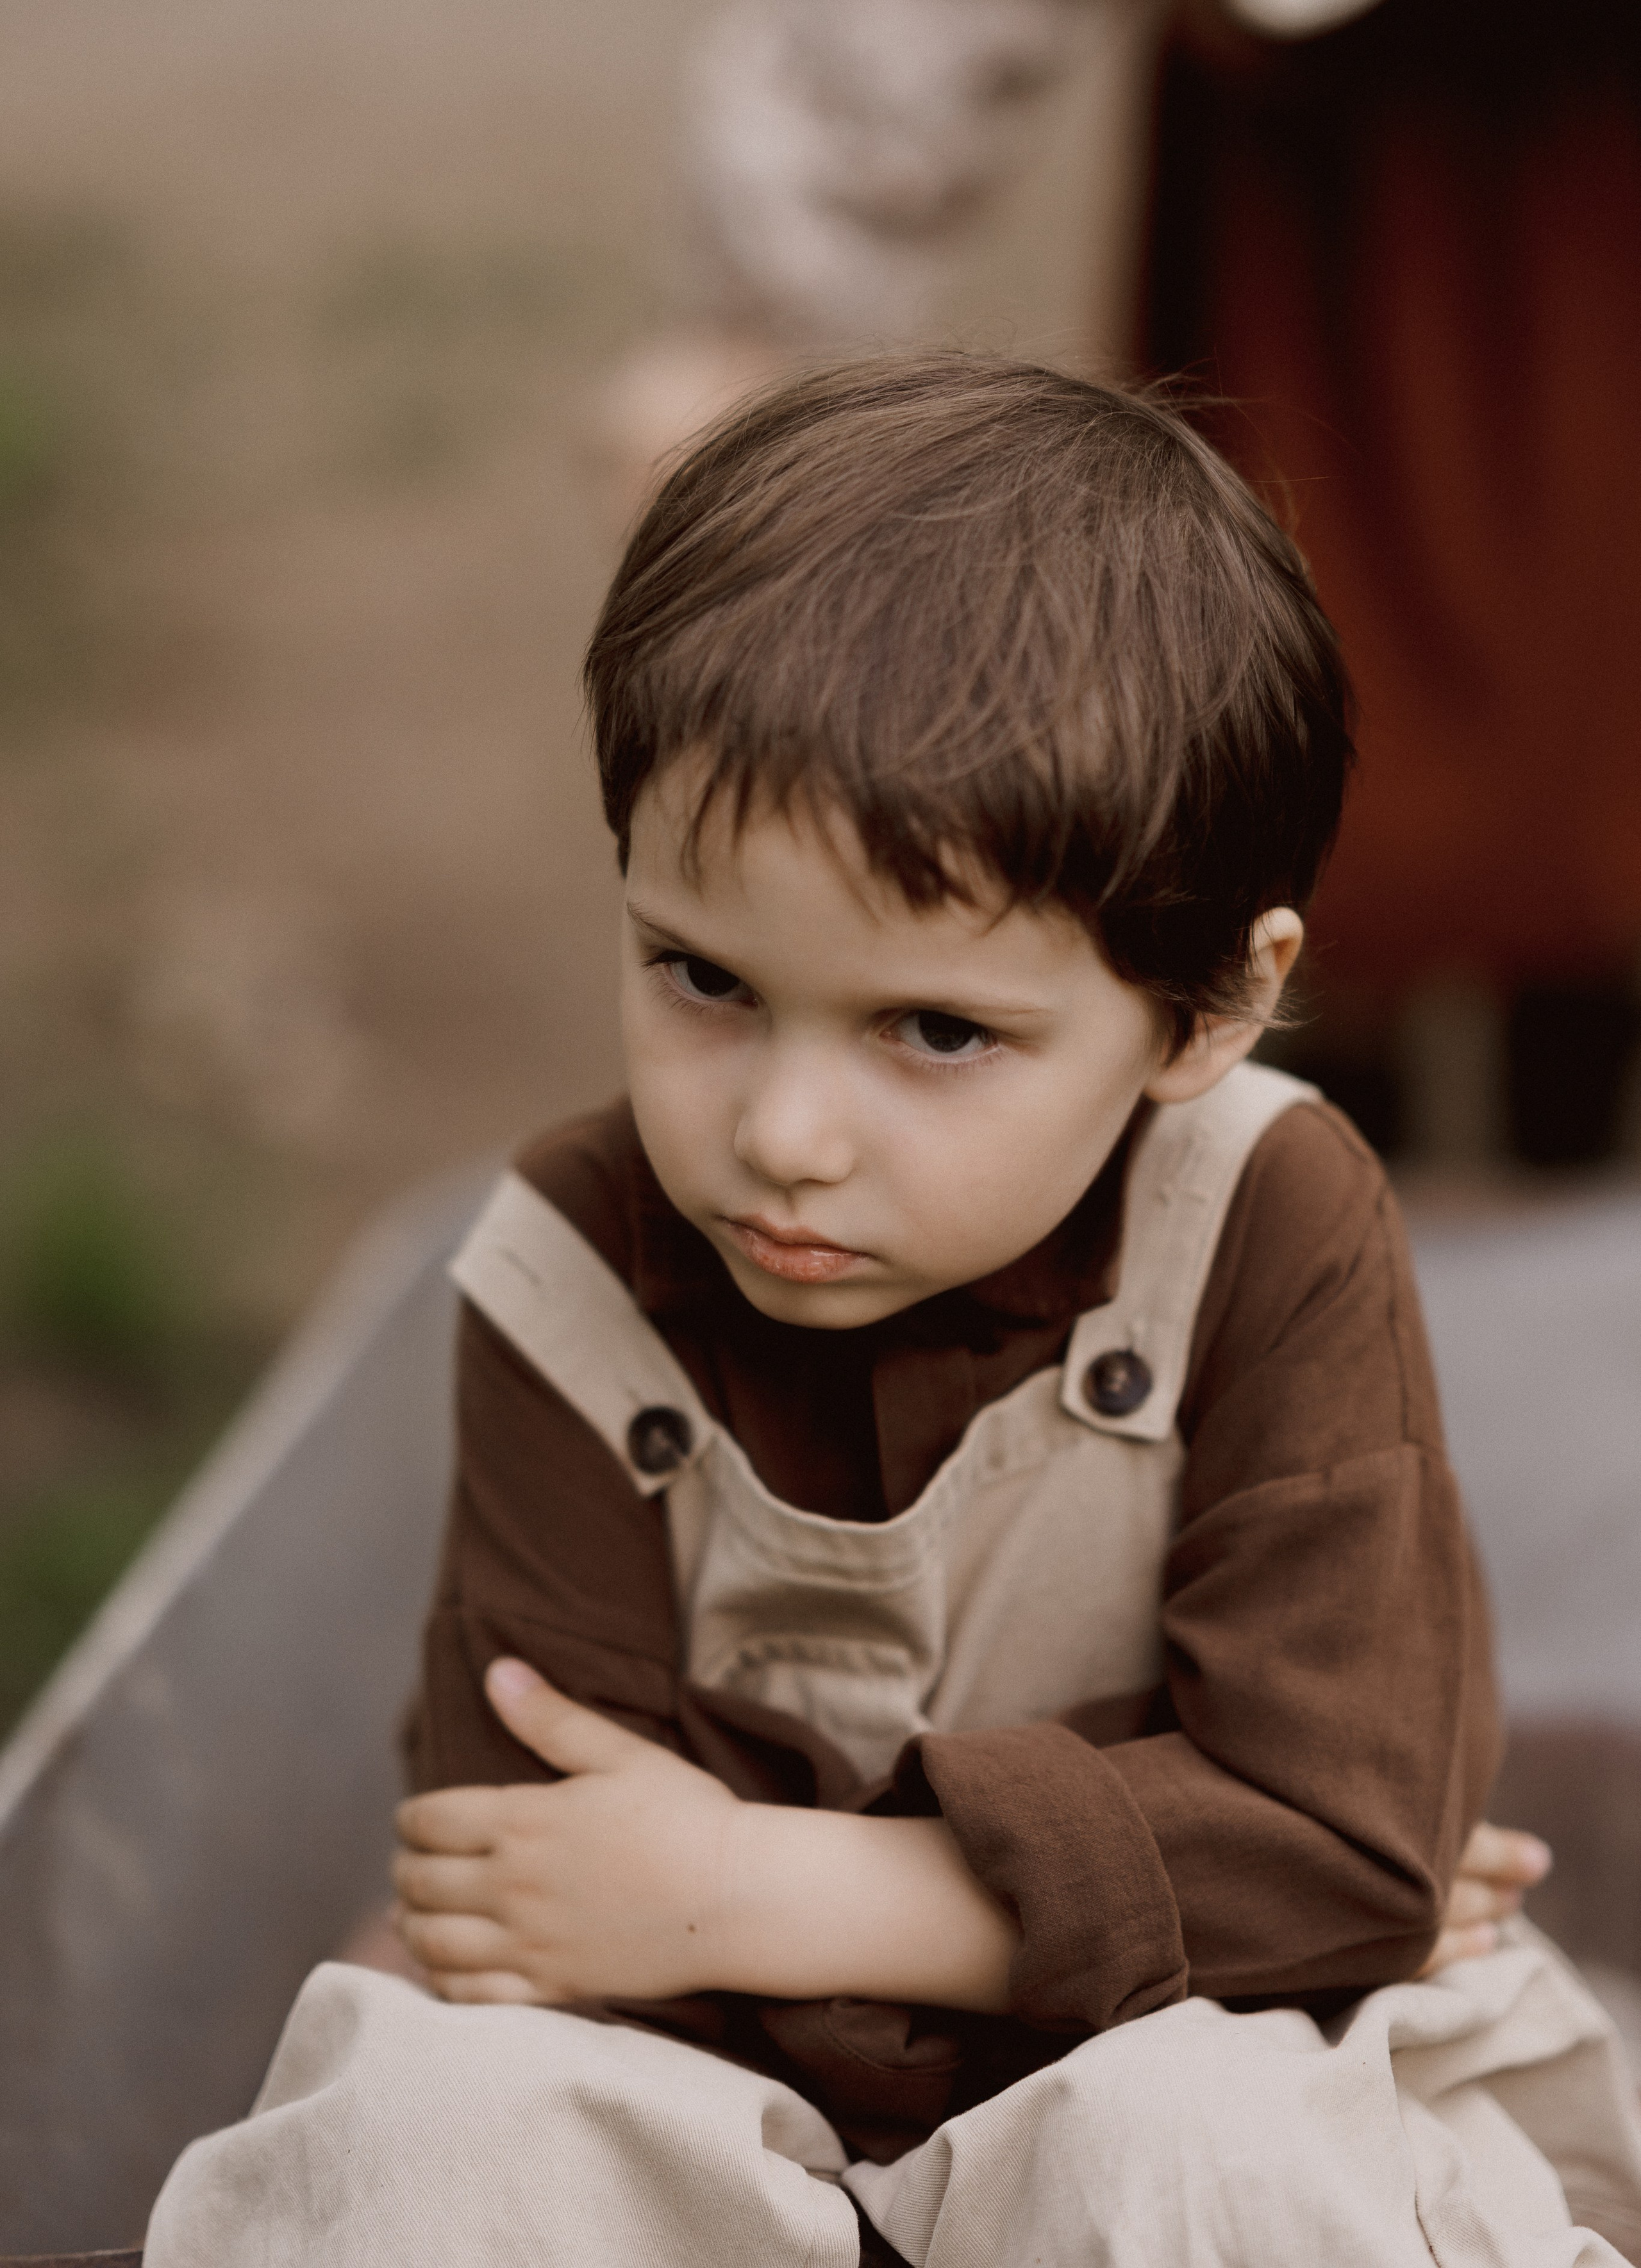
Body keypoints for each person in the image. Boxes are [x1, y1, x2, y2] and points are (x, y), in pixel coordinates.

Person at [141, 357, 1641, 2268]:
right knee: (440, 2137)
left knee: (1192, 2146)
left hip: (1210, 2056)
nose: (778, 1134)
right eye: (700, 974)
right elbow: (538, 1885)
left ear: (1207, 1009)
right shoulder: (575, 1262)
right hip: (691, 2100)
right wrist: (1199, 1857)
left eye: (935, 1030)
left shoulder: (1265, 1221)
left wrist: (757, 1883)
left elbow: (1336, 1859)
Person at [613, 0, 1641, 1163]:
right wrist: (775, 284)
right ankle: (1292, 1200)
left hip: (1599, 197)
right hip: (1318, 214)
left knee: (1595, 778)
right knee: (1288, 762)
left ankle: (1575, 1178)